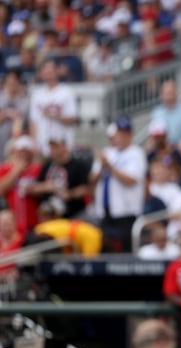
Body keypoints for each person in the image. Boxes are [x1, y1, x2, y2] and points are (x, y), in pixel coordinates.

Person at [88, 117, 147, 252]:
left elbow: (131, 180)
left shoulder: (136, 153)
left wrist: (109, 166)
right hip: (105, 211)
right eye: (118, 134)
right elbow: (91, 180)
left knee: (125, 250)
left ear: (130, 135)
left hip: (126, 211)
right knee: (104, 248)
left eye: (123, 134)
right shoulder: (107, 152)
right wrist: (103, 167)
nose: (120, 137)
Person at [28, 59, 78, 157]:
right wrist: (34, 143)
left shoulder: (66, 92)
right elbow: (33, 122)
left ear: (57, 72)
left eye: (50, 71)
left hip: (62, 145)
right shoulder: (37, 94)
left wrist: (54, 115)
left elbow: (73, 119)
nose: (47, 73)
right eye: (45, 70)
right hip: (42, 146)